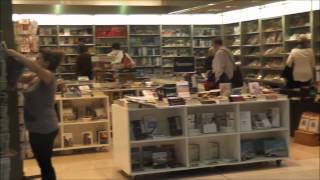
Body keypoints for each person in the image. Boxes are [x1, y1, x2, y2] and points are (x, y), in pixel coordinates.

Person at [6, 48, 64, 180]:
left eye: (38, 58)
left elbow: (33, 67)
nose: (35, 60)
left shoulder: (48, 76)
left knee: (45, 164)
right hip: (35, 126)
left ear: (47, 63)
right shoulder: (35, 77)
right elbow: (18, 77)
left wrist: (14, 53)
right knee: (42, 162)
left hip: (45, 127)